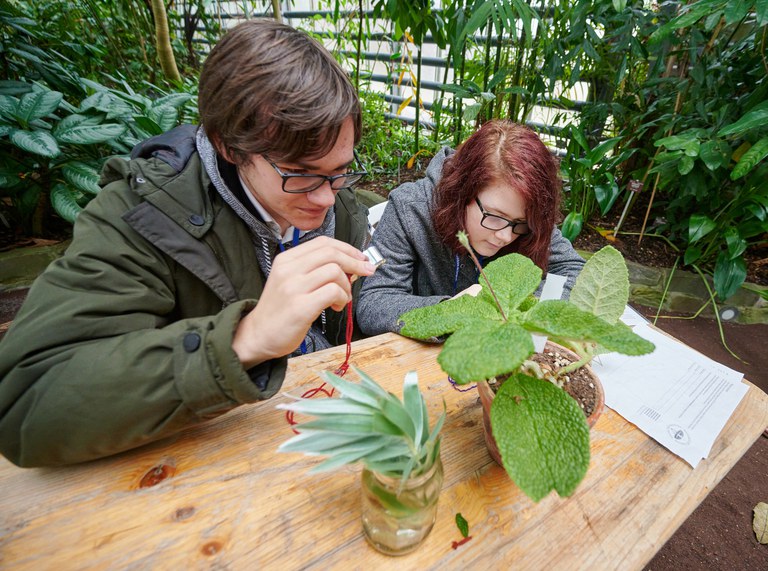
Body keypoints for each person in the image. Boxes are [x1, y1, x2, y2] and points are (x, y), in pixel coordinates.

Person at [0, 20, 377, 467]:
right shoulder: (141, 218)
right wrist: (244, 340)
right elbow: (25, 404)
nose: (326, 196)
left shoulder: (344, 206)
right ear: (229, 146)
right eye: (301, 173)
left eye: (340, 170)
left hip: (316, 447)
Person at [356, 120, 585, 336]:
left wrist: (505, 308)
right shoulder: (410, 208)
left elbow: (579, 276)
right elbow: (374, 303)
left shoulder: (527, 218)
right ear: (461, 191)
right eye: (495, 217)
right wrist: (455, 310)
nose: (506, 236)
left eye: (520, 224)